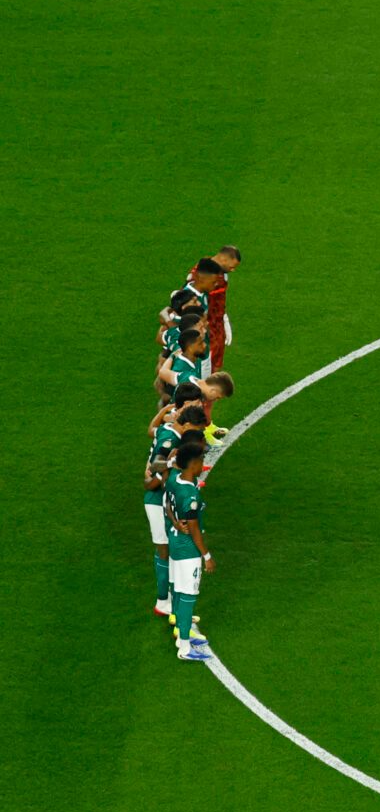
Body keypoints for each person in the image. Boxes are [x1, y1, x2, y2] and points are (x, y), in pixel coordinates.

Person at [142, 396, 207, 617]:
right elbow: (155, 467)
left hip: (162, 498)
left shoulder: (171, 430)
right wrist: (171, 464)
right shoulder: (171, 437)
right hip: (155, 500)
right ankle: (163, 602)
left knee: (168, 551)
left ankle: (169, 600)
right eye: (197, 430)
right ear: (188, 425)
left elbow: (152, 432)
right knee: (164, 551)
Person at [163, 440, 215, 661]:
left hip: (175, 543)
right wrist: (207, 556)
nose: (202, 464)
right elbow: (193, 528)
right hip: (187, 550)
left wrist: (174, 522)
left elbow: (166, 503)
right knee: (187, 596)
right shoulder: (190, 495)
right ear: (193, 463)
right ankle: (184, 647)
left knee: (179, 591)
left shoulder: (175, 479)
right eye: (201, 460)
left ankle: (183, 635)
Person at [204, 246, 241, 369]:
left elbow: (219, 300)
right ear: (224, 259)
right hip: (204, 327)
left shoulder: (223, 274)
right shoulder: (202, 272)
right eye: (232, 266)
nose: (233, 270)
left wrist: (223, 318)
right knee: (204, 369)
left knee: (215, 367)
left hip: (217, 326)